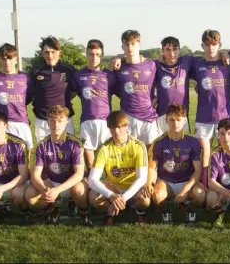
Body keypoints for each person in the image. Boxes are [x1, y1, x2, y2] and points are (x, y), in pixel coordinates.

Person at [24, 105, 90, 226]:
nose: (56, 124)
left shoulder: (75, 144)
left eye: (60, 121)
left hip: (71, 183)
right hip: (52, 182)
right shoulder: (41, 146)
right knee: (30, 195)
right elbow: (35, 175)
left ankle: (83, 212)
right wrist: (45, 191)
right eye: (52, 120)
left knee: (79, 190)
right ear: (48, 123)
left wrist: (58, 190)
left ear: (66, 122)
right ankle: (53, 207)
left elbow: (79, 173)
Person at [191, 29, 230, 188]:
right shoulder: (196, 64)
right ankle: (204, 186)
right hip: (204, 118)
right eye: (207, 45)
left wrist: (224, 53)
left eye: (215, 44)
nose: (211, 48)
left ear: (220, 45)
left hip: (225, 117)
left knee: (226, 153)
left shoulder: (229, 64)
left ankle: (226, 185)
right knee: (205, 154)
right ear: (202, 45)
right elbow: (174, 63)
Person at [146, 104, 205, 225]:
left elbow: (198, 171)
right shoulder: (158, 143)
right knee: (157, 195)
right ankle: (165, 210)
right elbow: (152, 168)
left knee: (200, 196)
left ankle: (189, 209)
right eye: (172, 120)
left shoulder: (193, 142)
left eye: (179, 120)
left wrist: (185, 190)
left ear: (184, 120)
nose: (175, 123)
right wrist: (149, 183)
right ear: (166, 120)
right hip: (167, 182)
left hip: (187, 182)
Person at [88, 110, 150, 226]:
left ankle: (139, 212)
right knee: (93, 197)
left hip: (133, 188)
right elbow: (92, 180)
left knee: (145, 199)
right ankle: (111, 212)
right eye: (112, 128)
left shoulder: (138, 146)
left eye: (119, 127)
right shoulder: (104, 148)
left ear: (127, 126)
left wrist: (123, 198)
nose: (116, 131)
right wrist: (111, 195)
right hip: (114, 188)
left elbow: (142, 178)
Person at [72, 39, 116, 170]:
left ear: (102, 55)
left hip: (106, 122)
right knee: (91, 165)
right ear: (86, 54)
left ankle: (108, 188)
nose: (94, 57)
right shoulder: (78, 75)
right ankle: (93, 188)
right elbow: (71, 94)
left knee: (109, 164)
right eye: (91, 54)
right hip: (87, 121)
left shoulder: (110, 75)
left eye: (97, 54)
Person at [113, 30, 159, 147]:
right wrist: (119, 58)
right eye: (126, 44)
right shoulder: (118, 68)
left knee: (150, 154)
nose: (130, 47)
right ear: (122, 46)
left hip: (148, 117)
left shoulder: (152, 65)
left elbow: (165, 83)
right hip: (128, 117)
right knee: (129, 153)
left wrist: (158, 98)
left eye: (133, 44)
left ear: (139, 45)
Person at [28, 36, 76, 143]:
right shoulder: (36, 71)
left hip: (64, 121)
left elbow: (75, 90)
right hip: (42, 121)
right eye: (46, 52)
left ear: (60, 52)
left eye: (53, 52)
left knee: (68, 155)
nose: (50, 55)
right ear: (42, 53)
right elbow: (29, 94)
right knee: (44, 156)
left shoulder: (69, 70)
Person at [0, 43, 33, 149]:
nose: (7, 62)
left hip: (21, 123)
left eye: (10, 58)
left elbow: (28, 98)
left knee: (25, 160)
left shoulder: (26, 78)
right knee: (2, 160)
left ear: (16, 58)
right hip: (1, 124)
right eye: (3, 59)